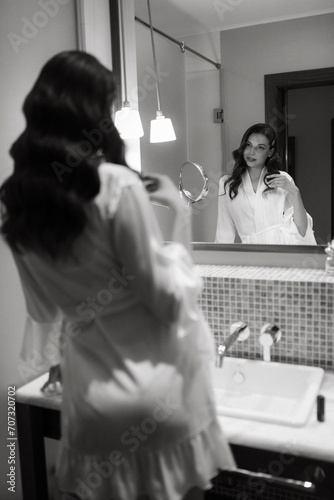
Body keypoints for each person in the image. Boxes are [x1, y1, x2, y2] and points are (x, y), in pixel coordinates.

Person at [0, 51, 235, 500]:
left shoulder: (17, 202)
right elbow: (168, 302)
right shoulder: (115, 186)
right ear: (90, 113)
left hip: (89, 410)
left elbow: (43, 310)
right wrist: (182, 214)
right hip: (156, 402)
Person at [215, 123, 317, 245]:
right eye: (249, 145)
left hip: (282, 249)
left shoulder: (282, 179)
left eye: (260, 148)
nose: (251, 152)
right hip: (251, 254)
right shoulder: (227, 184)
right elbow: (224, 232)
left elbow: (302, 230)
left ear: (270, 152)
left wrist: (294, 191)